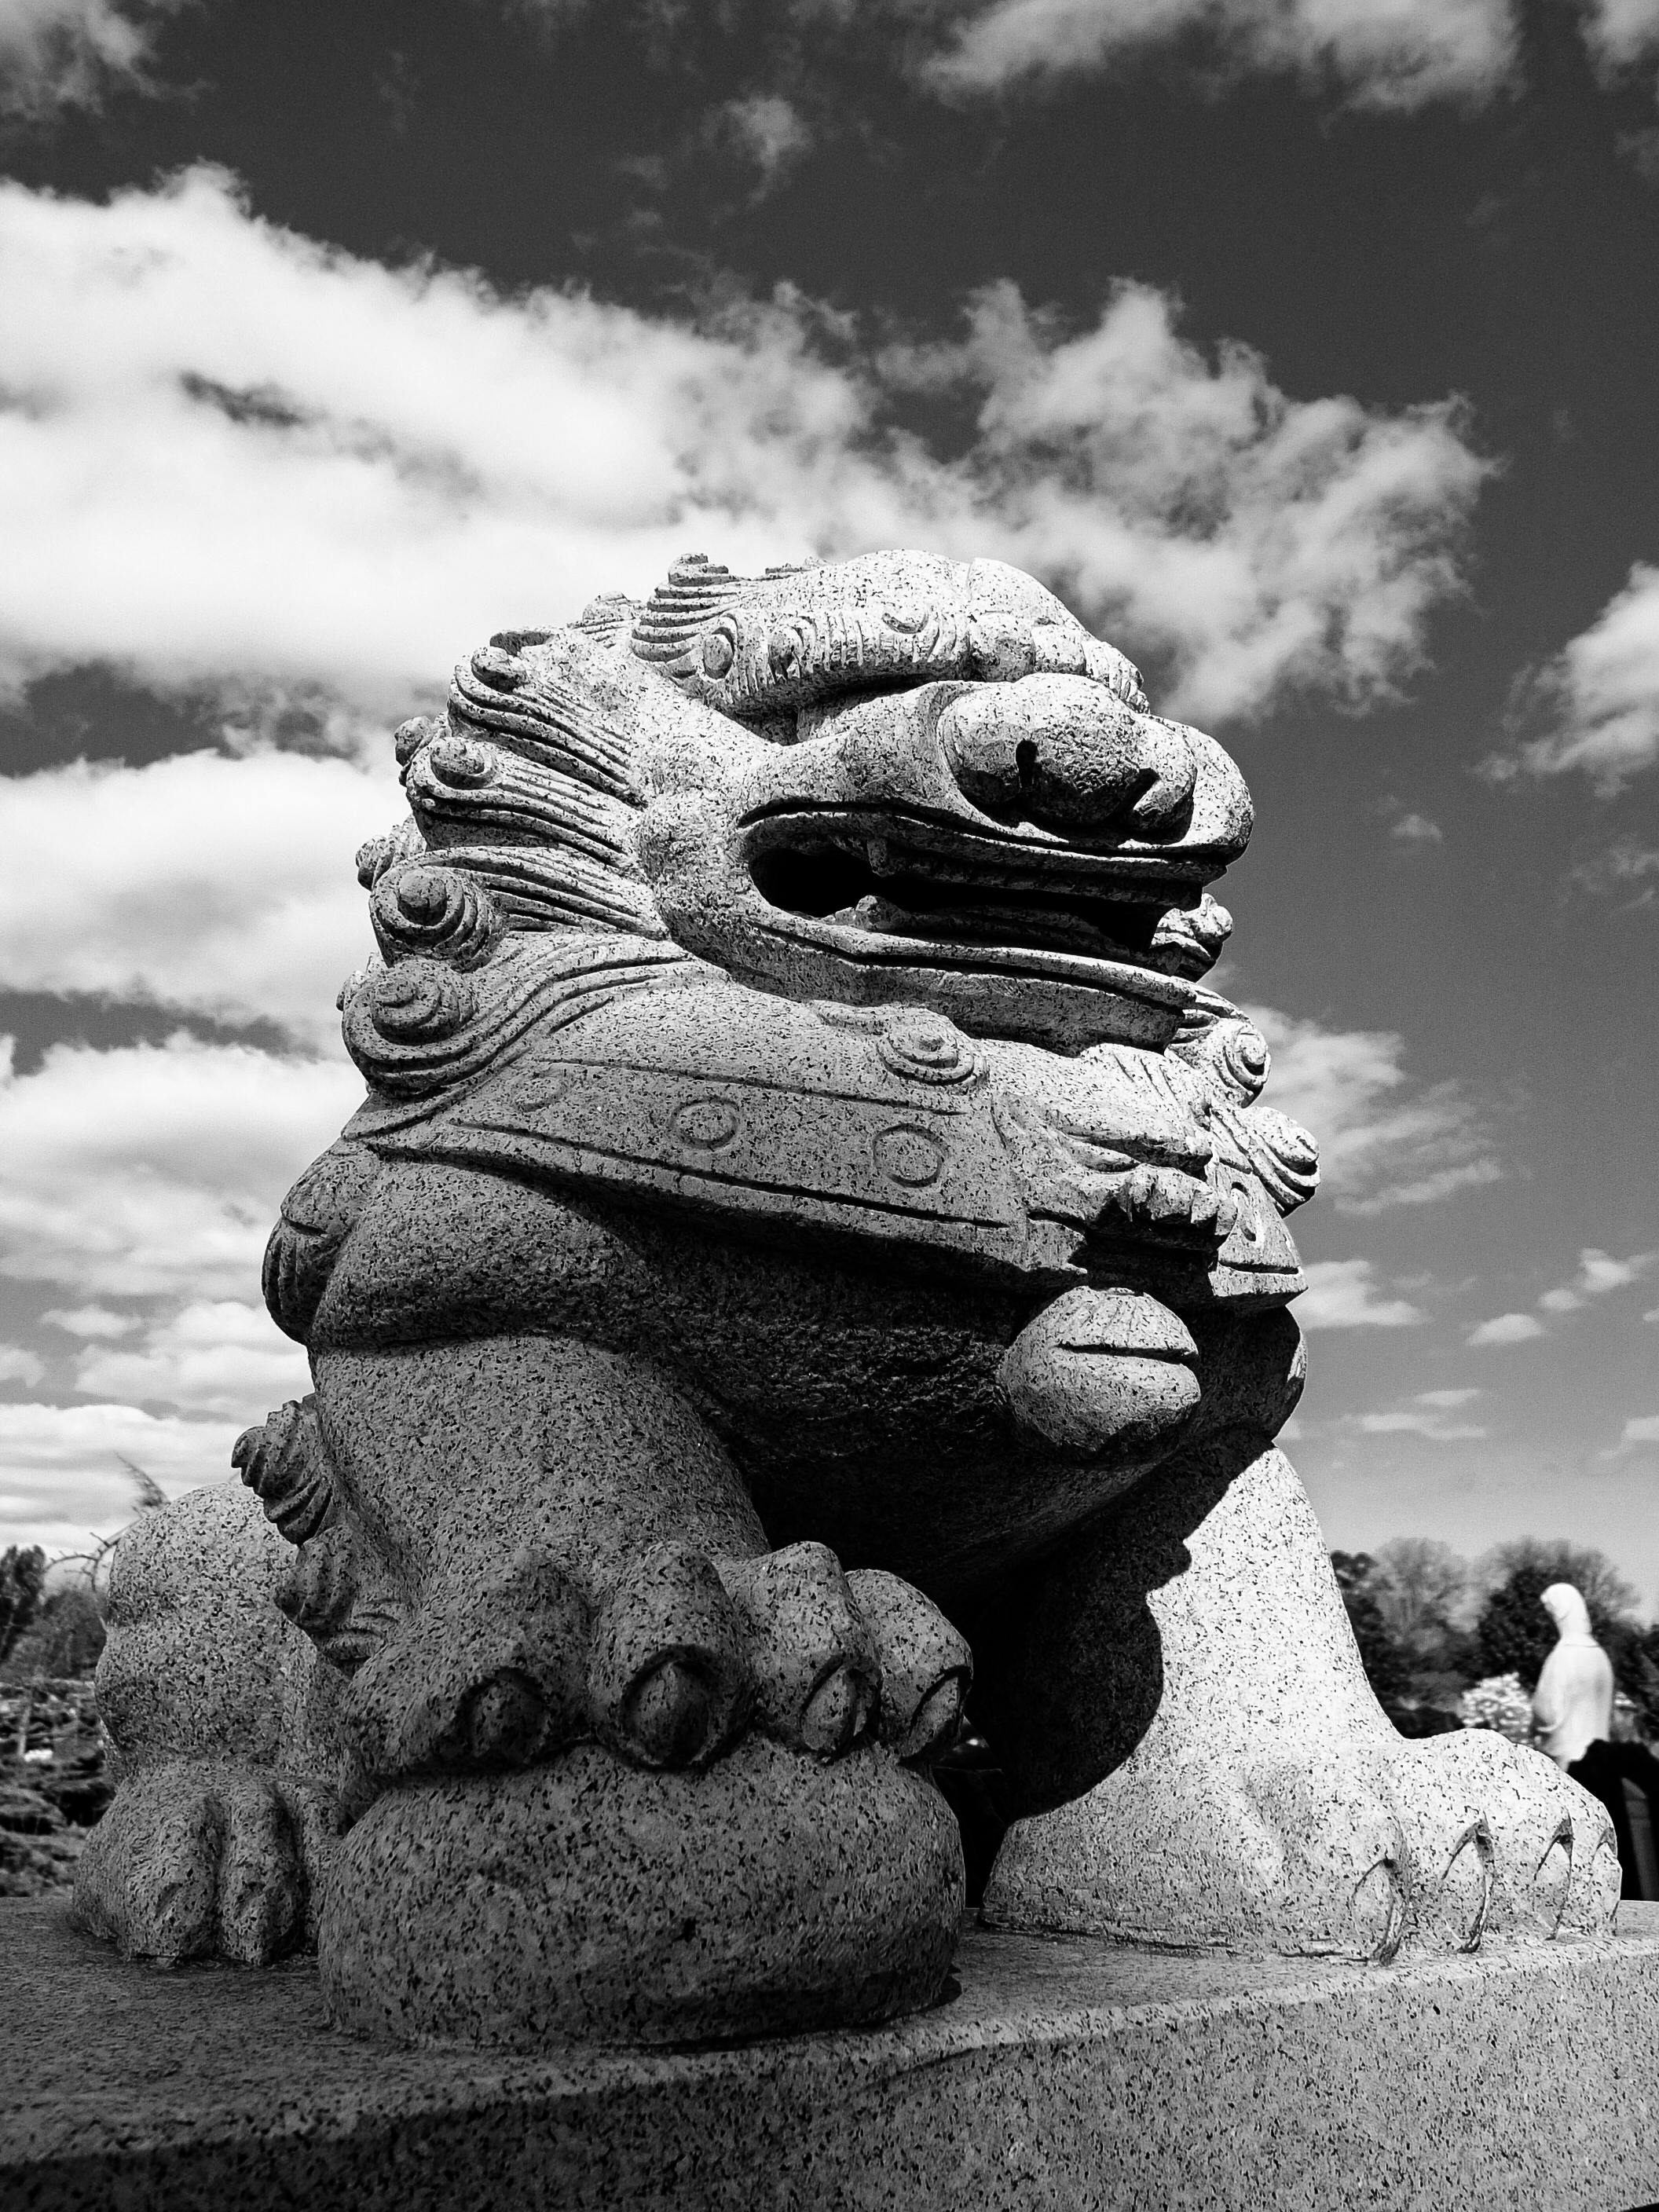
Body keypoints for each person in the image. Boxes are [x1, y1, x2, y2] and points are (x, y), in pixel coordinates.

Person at [1533, 1583, 1614, 1767]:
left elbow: (1548, 1711)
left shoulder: (1564, 1655)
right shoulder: (1600, 1655)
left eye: (1551, 1611)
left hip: (1569, 1762)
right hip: (1601, 1759)